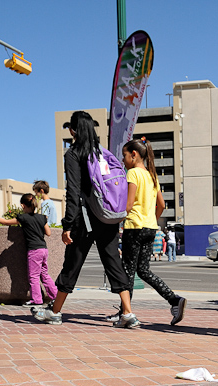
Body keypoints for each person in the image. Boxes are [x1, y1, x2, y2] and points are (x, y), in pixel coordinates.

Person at [36, 110, 137, 327]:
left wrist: (68, 224)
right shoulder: (102, 153)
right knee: (113, 261)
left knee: (72, 263)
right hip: (108, 215)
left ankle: (55, 311)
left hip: (85, 219)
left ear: (73, 130)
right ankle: (127, 313)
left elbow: (73, 191)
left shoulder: (73, 154)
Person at [109, 139, 186, 326]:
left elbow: (128, 205)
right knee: (143, 270)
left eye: (125, 155)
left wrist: (115, 221)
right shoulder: (152, 175)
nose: (123, 159)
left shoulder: (132, 173)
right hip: (150, 227)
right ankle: (174, 300)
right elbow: (161, 205)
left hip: (134, 227)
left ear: (134, 155)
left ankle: (125, 313)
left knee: (127, 271)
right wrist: (151, 219)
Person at [0, 193, 57, 308]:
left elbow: (5, 222)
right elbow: (48, 233)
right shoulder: (41, 217)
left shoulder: (23, 218)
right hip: (44, 249)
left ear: (22, 205)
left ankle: (37, 300)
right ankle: (55, 296)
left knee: (33, 276)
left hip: (34, 250)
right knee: (44, 274)